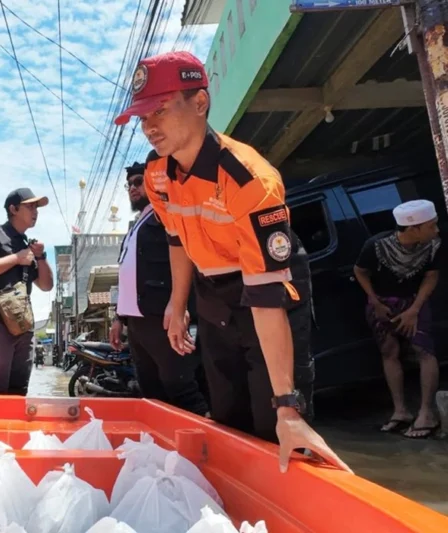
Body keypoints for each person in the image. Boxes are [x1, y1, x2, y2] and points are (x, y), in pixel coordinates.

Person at [114, 50, 351, 473]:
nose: (148, 126)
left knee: (272, 418)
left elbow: (266, 296)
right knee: (226, 414)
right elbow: (177, 238)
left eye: (160, 110)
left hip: (267, 288)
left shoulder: (249, 180)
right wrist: (177, 303)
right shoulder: (156, 175)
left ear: (200, 103)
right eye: (142, 116)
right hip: (210, 291)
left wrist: (288, 407)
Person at [109, 161, 209, 416]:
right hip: (138, 323)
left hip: (163, 318)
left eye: (138, 182)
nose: (132, 188)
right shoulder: (136, 226)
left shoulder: (168, 213)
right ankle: (162, 451)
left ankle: (200, 450)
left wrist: (179, 305)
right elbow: (127, 275)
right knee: (151, 392)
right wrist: (118, 318)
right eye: (129, 184)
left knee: (181, 388)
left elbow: (188, 259)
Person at [353, 199, 442, 438]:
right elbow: (360, 271)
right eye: (431, 226)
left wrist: (414, 310)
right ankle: (400, 411)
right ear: (414, 229)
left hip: (415, 302)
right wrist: (375, 301)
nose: (437, 230)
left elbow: (431, 277)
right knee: (389, 351)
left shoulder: (433, 246)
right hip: (383, 304)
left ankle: (426, 413)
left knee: (424, 351)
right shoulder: (376, 246)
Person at [0, 188, 54, 395]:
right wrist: (16, 258)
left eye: (37, 207)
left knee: (19, 390)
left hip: (23, 324)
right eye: (30, 206)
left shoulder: (28, 245)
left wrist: (41, 256)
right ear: (13, 209)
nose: (36, 211)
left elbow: (46, 285)